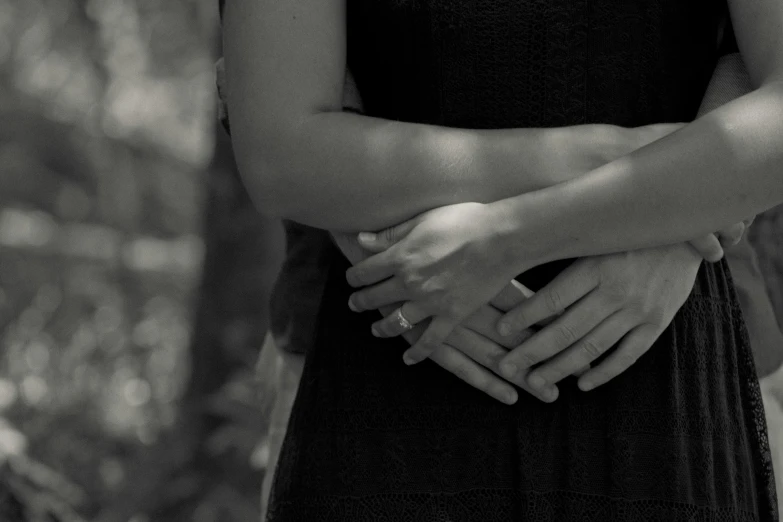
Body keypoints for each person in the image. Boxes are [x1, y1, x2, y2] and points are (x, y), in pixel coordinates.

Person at [222, 0, 781, 519]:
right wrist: (615, 159)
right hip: (392, 350)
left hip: (664, 347)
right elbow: (281, 146)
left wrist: (510, 239)